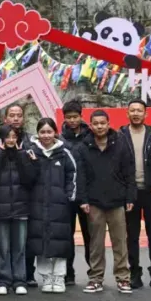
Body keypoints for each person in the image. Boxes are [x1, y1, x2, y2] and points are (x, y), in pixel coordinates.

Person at [78, 110, 135, 293]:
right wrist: (83, 199)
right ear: (91, 125)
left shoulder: (120, 142)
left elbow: (129, 172)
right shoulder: (84, 145)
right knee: (96, 243)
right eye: (96, 123)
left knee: (120, 242)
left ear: (108, 123)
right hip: (94, 202)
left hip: (117, 201)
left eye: (103, 123)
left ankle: (123, 278)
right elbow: (81, 176)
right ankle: (95, 278)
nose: (100, 126)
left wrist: (130, 197)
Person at [120, 99, 151, 290]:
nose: (136, 114)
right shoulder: (120, 136)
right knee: (131, 236)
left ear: (145, 114)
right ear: (127, 113)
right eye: (132, 110)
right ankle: (134, 273)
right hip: (130, 194)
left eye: (139, 111)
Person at [0, 125, 37, 294]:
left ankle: (20, 280)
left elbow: (30, 179)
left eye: (14, 137)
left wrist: (22, 156)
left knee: (20, 247)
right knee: (2, 247)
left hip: (21, 208)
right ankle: (2, 281)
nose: (11, 140)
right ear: (1, 138)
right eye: (8, 136)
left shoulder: (24, 154)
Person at [28, 117, 79, 293]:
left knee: (59, 241)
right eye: (42, 132)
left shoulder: (64, 152)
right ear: (38, 133)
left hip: (60, 206)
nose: (46, 135)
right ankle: (46, 278)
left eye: (49, 131)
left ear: (55, 133)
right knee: (41, 242)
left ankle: (59, 278)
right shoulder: (31, 152)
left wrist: (68, 197)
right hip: (37, 205)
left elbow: (72, 174)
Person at [60, 100, 92, 286]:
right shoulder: (60, 139)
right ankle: (67, 272)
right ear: (64, 118)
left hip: (87, 194)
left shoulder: (91, 136)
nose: (72, 120)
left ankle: (94, 273)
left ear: (81, 116)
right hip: (67, 194)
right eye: (69, 117)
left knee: (91, 236)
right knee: (66, 235)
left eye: (75, 117)